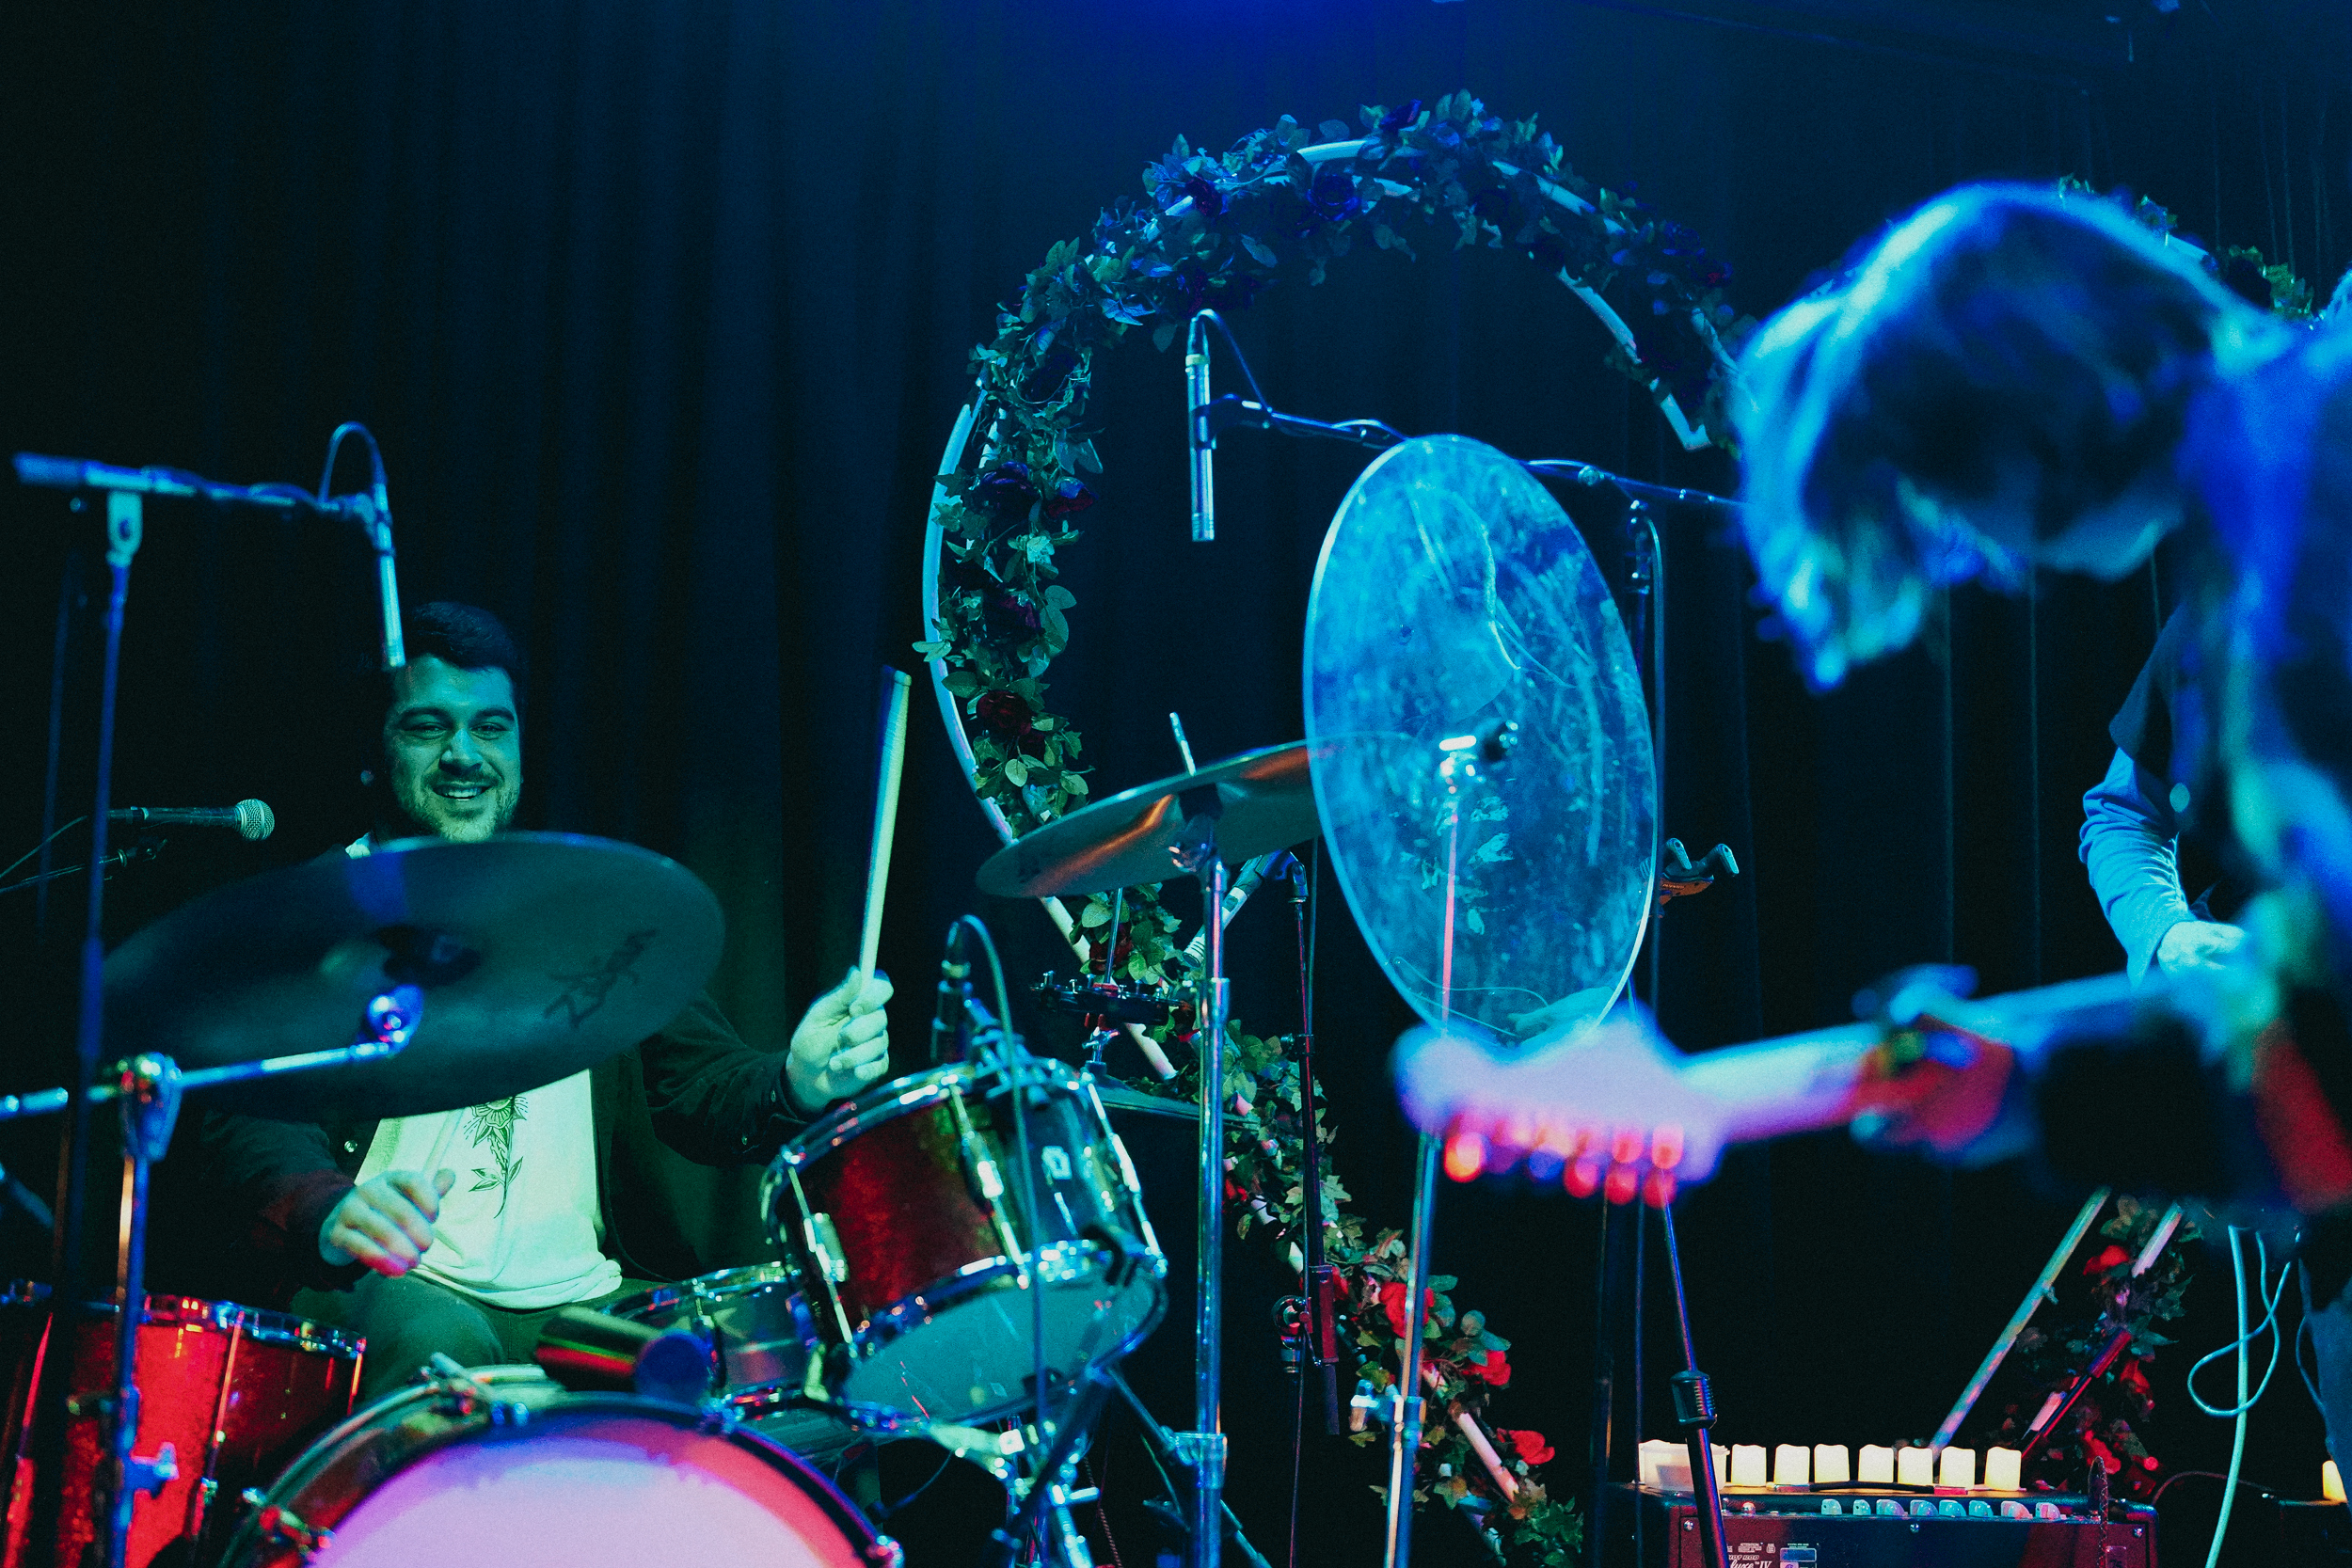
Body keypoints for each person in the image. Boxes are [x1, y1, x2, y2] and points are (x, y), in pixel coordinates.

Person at [200, 602, 893, 1401]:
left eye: (491, 727)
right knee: (442, 1346)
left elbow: (697, 1083)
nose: (464, 754)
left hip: (581, 1301)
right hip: (391, 1285)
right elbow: (248, 1113)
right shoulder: (317, 916)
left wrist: (796, 1080)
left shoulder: (583, 915)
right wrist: (329, 1206)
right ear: (375, 749)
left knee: (770, 1353)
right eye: (428, 727)